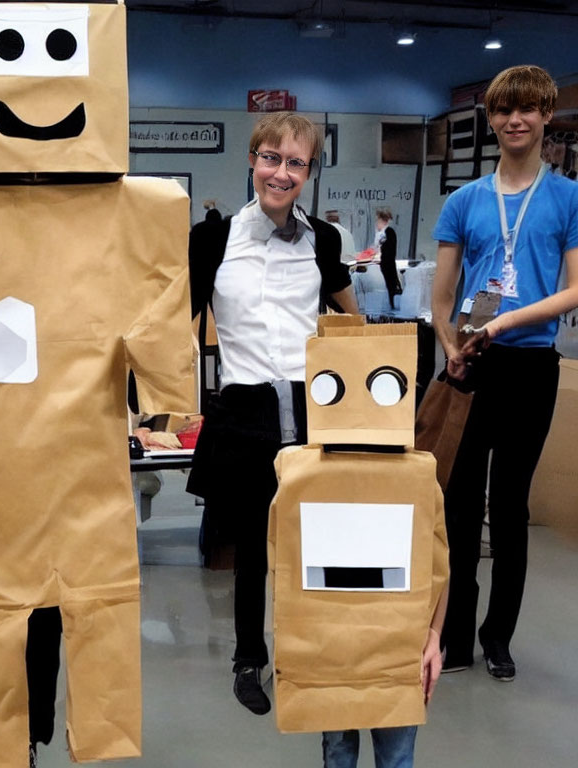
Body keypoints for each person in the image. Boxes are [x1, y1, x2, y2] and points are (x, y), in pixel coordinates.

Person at [187, 112, 358, 715]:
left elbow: (347, 313)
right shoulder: (213, 239)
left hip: (315, 408)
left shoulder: (325, 240)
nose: (280, 173)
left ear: (309, 172)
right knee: (252, 547)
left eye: (296, 163)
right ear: (252, 159)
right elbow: (174, 321)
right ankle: (247, 658)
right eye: (271, 158)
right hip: (244, 410)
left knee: (314, 542)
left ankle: (309, 651)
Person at [431, 64, 578, 681]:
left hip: (529, 367)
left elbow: (575, 290)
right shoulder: (463, 201)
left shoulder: (568, 197)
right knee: (459, 506)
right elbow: (441, 299)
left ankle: (499, 637)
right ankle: (456, 637)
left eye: (527, 109)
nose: (514, 119)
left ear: (546, 116)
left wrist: (500, 325)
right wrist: (453, 345)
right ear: (490, 120)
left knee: (509, 504)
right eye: (502, 110)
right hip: (472, 364)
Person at [375, 207, 402, 309]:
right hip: (385, 266)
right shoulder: (382, 233)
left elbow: (387, 252)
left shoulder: (388, 232)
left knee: (390, 290)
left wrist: (379, 257)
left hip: (387, 267)